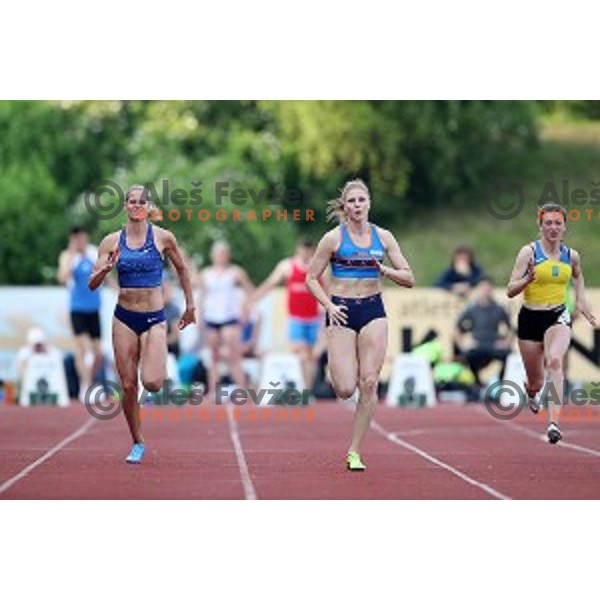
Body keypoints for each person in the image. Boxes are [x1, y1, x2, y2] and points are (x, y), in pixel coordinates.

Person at [306, 179, 415, 471]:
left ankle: (354, 451)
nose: (357, 206)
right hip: (341, 310)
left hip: (372, 310)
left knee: (369, 382)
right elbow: (310, 277)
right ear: (345, 206)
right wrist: (328, 306)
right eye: (351, 201)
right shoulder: (332, 239)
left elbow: (409, 277)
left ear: (369, 204)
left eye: (361, 200)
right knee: (344, 388)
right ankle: (339, 366)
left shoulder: (384, 237)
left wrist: (386, 270)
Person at [88, 185, 196, 464]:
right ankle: (137, 440)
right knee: (127, 385)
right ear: (125, 206)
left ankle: (140, 429)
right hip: (124, 317)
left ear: (149, 207)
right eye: (132, 202)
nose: (136, 206)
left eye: (142, 202)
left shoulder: (163, 238)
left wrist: (190, 305)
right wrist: (105, 268)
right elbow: (92, 284)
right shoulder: (111, 242)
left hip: (154, 319)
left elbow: (182, 269)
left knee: (153, 382)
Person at [506, 203, 596, 443]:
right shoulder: (529, 252)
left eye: (558, 223)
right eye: (548, 223)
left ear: (564, 226)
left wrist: (581, 302)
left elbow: (578, 275)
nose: (553, 227)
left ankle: (554, 423)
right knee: (535, 380)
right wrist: (527, 280)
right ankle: (532, 393)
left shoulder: (571, 255)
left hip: (558, 315)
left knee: (555, 361)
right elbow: (510, 290)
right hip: (529, 318)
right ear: (541, 226)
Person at [250, 239, 323, 391]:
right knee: (301, 352)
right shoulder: (287, 266)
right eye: (303, 249)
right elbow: (270, 283)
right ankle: (303, 388)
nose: (305, 253)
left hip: (314, 318)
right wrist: (253, 298)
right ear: (298, 249)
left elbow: (328, 288)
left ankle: (307, 390)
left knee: (311, 357)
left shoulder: (319, 266)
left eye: (309, 250)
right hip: (296, 318)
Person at [196, 241, 254, 400]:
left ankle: (242, 390)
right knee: (213, 356)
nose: (221, 256)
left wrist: (245, 310)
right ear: (212, 255)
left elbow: (250, 291)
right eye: (218, 253)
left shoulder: (235, 272)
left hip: (230, 318)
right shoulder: (206, 273)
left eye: (223, 253)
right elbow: (202, 296)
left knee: (233, 355)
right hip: (212, 318)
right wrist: (199, 316)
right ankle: (213, 391)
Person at [58, 226, 104, 402]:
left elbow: (105, 273)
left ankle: (89, 380)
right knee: (82, 349)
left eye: (83, 238)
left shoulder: (93, 252)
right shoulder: (68, 256)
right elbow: (62, 278)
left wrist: (117, 288)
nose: (81, 242)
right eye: (77, 239)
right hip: (77, 309)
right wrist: (72, 255)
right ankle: (86, 385)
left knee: (98, 353)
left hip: (94, 308)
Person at [454, 277, 513, 387]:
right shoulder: (472, 309)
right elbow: (457, 328)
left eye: (488, 288)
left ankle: (500, 383)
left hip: (493, 344)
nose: (485, 291)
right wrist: (462, 345)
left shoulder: (499, 308)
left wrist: (506, 343)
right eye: (483, 288)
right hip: (478, 344)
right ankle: (477, 384)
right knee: (465, 356)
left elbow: (510, 329)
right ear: (479, 289)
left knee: (509, 356)